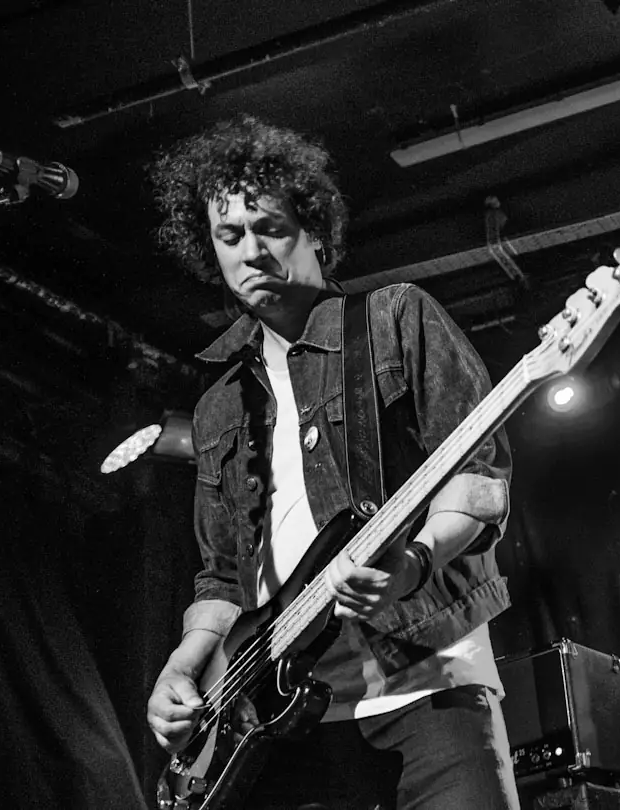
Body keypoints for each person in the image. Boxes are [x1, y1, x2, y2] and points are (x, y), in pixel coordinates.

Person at [144, 116, 518, 810]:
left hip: (429, 683)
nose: (251, 251)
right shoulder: (217, 406)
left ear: (314, 229)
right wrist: (186, 661)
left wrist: (415, 561)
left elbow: (479, 477)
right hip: (286, 731)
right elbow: (223, 573)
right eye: (230, 237)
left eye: (270, 228)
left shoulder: (394, 319)